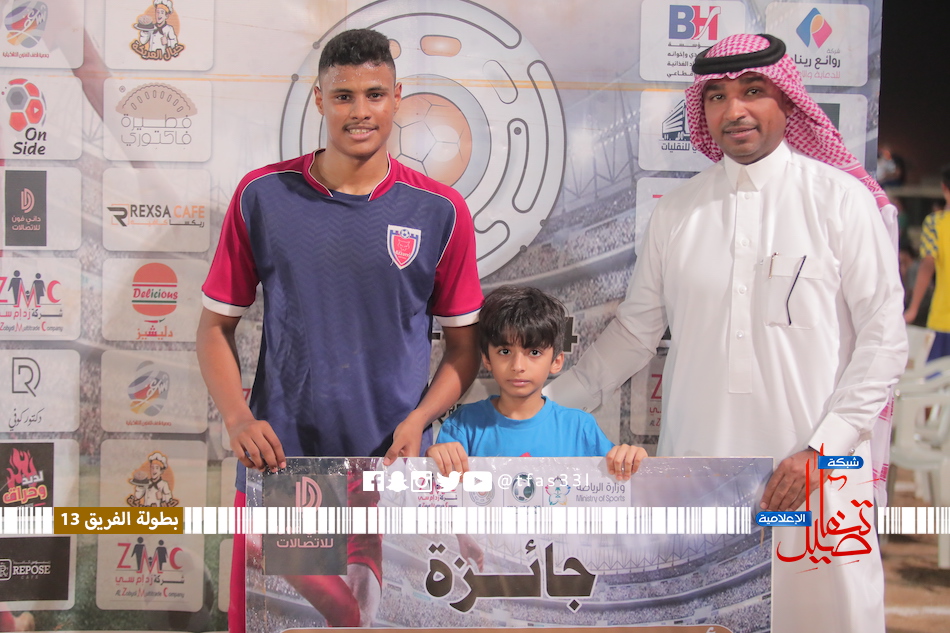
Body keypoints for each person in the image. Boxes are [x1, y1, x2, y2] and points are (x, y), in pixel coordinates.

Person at [546, 34, 906, 633]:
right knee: (705, 616)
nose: (734, 110)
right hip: (701, 470)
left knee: (823, 613)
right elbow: (635, 334)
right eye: (717, 96)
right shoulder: (678, 211)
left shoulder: (840, 201)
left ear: (787, 100)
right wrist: (542, 406)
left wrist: (825, 450)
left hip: (815, 471)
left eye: (753, 91)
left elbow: (884, 340)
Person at [196, 28, 482, 630]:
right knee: (320, 617)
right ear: (319, 100)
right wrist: (239, 419)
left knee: (370, 618)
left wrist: (419, 420)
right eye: (343, 95)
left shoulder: (440, 210)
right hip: (286, 459)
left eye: (374, 94)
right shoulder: (262, 195)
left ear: (397, 98)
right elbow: (214, 328)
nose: (360, 111)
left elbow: (463, 350)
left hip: (392, 463)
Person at [427, 285, 646, 479]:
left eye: (533, 352)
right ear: (487, 359)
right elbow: (439, 494)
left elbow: (619, 480)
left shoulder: (579, 428)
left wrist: (632, 460)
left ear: (556, 361)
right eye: (505, 351)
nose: (518, 366)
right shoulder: (463, 426)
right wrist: (433, 463)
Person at [904, 164, 950, 358]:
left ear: (944, 187)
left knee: (938, 375)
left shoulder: (936, 223)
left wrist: (913, 308)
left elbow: (927, 265)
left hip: (944, 319)